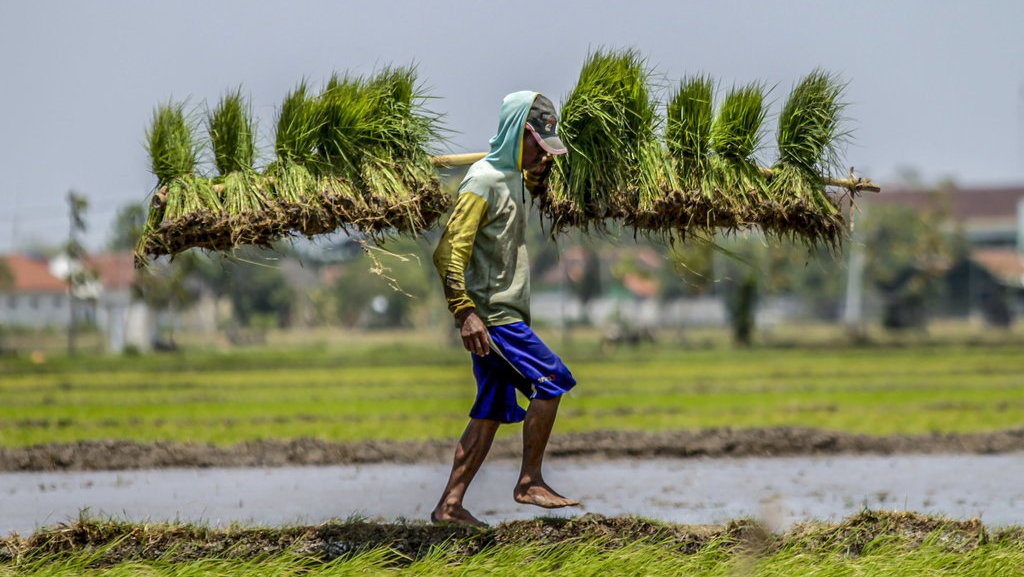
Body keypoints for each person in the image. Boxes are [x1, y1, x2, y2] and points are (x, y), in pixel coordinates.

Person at [430, 91, 579, 526]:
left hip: (500, 314)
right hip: (494, 318)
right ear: (518, 134)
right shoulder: (482, 181)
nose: (541, 155)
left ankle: (449, 506)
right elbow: (447, 253)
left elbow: (526, 184)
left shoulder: (512, 176)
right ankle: (529, 480)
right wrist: (465, 313)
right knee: (552, 381)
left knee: (490, 410)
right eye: (537, 146)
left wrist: (540, 169)